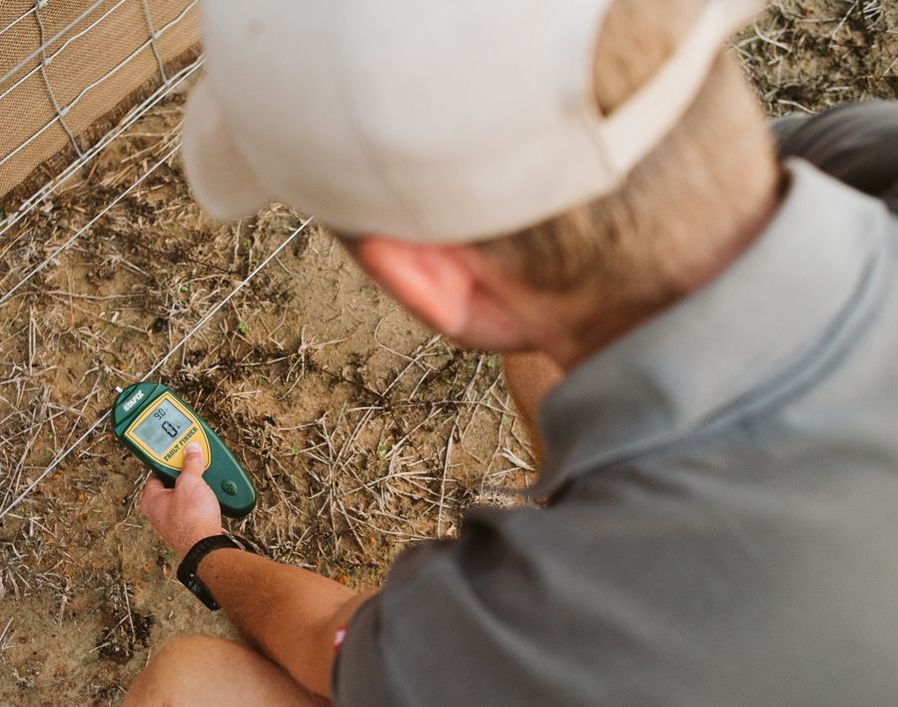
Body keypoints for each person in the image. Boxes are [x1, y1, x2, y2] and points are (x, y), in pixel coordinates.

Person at [126, 0, 898, 704]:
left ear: (431, 281)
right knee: (543, 349)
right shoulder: (870, 151)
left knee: (188, 685)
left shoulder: (552, 626)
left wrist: (204, 546)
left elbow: (329, 632)